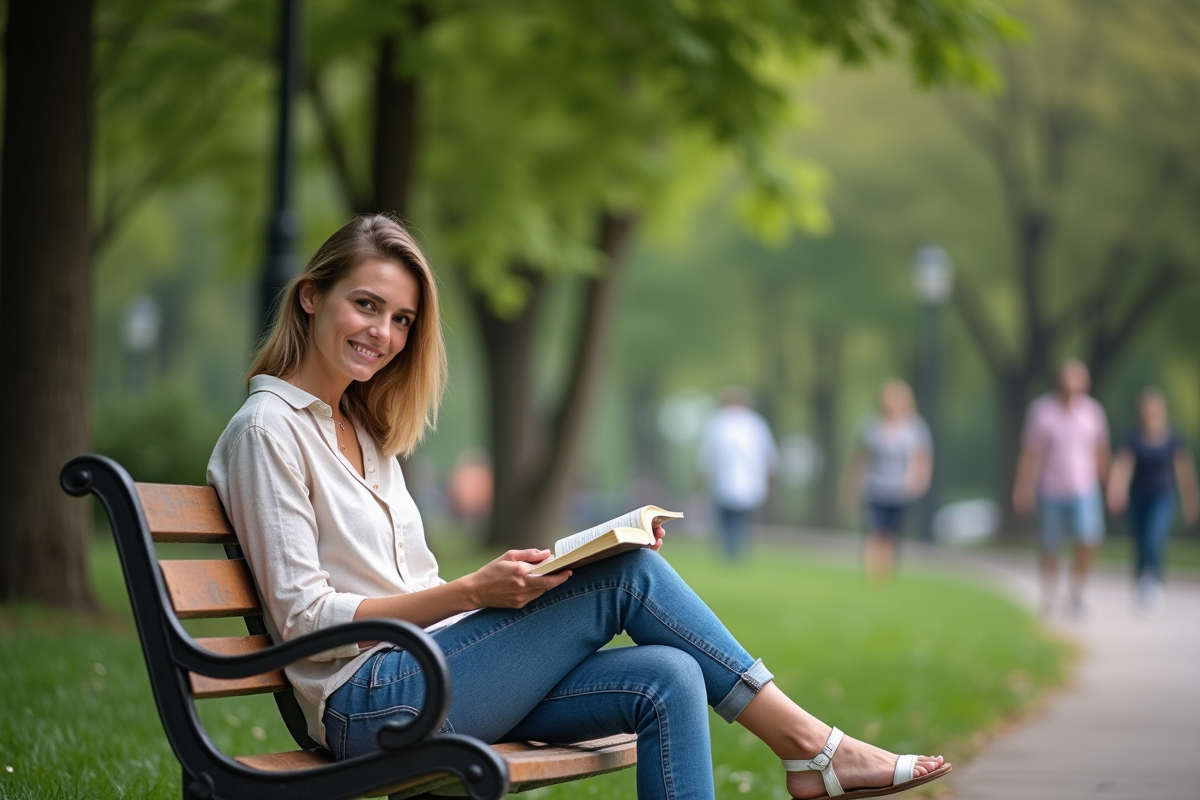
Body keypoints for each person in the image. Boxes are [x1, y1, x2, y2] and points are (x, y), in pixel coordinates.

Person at [207, 215, 949, 800]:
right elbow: (303, 621)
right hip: (369, 705)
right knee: (629, 575)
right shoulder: (267, 431)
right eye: (366, 305)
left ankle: (813, 753)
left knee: (670, 676)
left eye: (401, 319)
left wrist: (505, 590)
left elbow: (404, 582)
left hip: (432, 671)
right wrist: (472, 593)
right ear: (311, 295)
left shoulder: (364, 429)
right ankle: (813, 749)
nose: (384, 334)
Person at [1013, 359, 1110, 617]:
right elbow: (1031, 453)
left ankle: (1076, 592)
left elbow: (1100, 452)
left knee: (1089, 538)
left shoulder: (1093, 412)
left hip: (1084, 487)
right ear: (1060, 382)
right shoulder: (1042, 411)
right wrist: (1023, 487)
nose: (1074, 387)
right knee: (1050, 544)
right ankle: (1050, 592)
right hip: (1051, 488)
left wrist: (1109, 485)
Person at [1105, 388, 1200, 609]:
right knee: (1139, 542)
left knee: (1154, 538)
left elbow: (1183, 471)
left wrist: (1190, 500)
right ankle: (1140, 581)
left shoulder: (1173, 438)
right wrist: (1116, 490)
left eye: (1153, 409)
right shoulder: (1133, 438)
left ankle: (1155, 582)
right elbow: (1123, 466)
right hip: (1139, 497)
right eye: (1146, 409)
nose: (1149, 413)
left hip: (1162, 497)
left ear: (1162, 411)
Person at [840, 379, 932, 583]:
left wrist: (919, 480)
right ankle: (872, 572)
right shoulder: (871, 426)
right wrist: (850, 485)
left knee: (891, 532)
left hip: (900, 490)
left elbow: (922, 458)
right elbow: (860, 459)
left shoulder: (915, 428)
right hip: (875, 487)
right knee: (875, 528)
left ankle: (885, 571)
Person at [696, 387, 778, 560]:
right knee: (728, 516)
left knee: (740, 516)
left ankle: (736, 549)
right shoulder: (720, 422)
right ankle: (730, 549)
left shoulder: (754, 424)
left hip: (747, 479)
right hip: (726, 479)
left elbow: (766, 453)